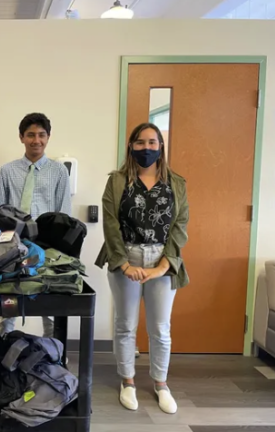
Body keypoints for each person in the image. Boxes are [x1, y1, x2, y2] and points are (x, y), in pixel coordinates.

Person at [95, 122, 189, 415]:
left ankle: (161, 384)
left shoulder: (177, 183)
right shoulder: (117, 180)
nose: (146, 148)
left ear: (161, 147)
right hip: (126, 256)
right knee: (125, 325)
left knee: (161, 329)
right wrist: (122, 263)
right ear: (131, 147)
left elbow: (180, 226)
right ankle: (128, 381)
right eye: (140, 142)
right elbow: (110, 223)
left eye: (152, 142)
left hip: (162, 260)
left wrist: (163, 266)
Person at [0, 112, 71, 338]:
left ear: (48, 137)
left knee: (49, 301)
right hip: (15, 244)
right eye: (30, 135)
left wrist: (60, 249)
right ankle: (1, 344)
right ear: (21, 137)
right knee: (10, 298)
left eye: (41, 135)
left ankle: (53, 351)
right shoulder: (8, 171)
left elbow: (64, 213)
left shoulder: (59, 172)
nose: (36, 140)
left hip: (47, 244)